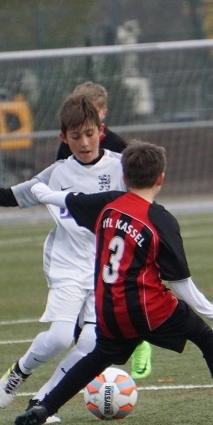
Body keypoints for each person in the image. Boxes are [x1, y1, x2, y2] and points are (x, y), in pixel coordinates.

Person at [16, 140, 213, 425]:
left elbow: (69, 199)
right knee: (206, 339)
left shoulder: (107, 203)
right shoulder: (160, 219)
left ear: (124, 177)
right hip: (149, 308)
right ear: (161, 178)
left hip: (110, 310)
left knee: (96, 358)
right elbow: (179, 281)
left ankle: (44, 407)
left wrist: (42, 193)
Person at [0, 94, 125, 422]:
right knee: (61, 337)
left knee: (93, 345)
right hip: (67, 264)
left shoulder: (121, 166)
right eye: (75, 136)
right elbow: (10, 196)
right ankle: (20, 370)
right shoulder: (56, 174)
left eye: (90, 134)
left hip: (105, 270)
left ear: (101, 131)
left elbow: (147, 191)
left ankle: (42, 400)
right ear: (63, 137)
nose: (84, 142)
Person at [55, 82, 152, 378]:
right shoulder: (67, 148)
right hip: (82, 243)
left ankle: (141, 342)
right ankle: (86, 365)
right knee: (84, 317)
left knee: (122, 296)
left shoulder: (119, 147)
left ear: (102, 115)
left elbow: (141, 180)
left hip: (117, 232)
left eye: (93, 113)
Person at [55, 81, 127, 160]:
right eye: (82, 112)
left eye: (94, 112)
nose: (88, 117)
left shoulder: (116, 144)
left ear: (104, 113)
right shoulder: (67, 145)